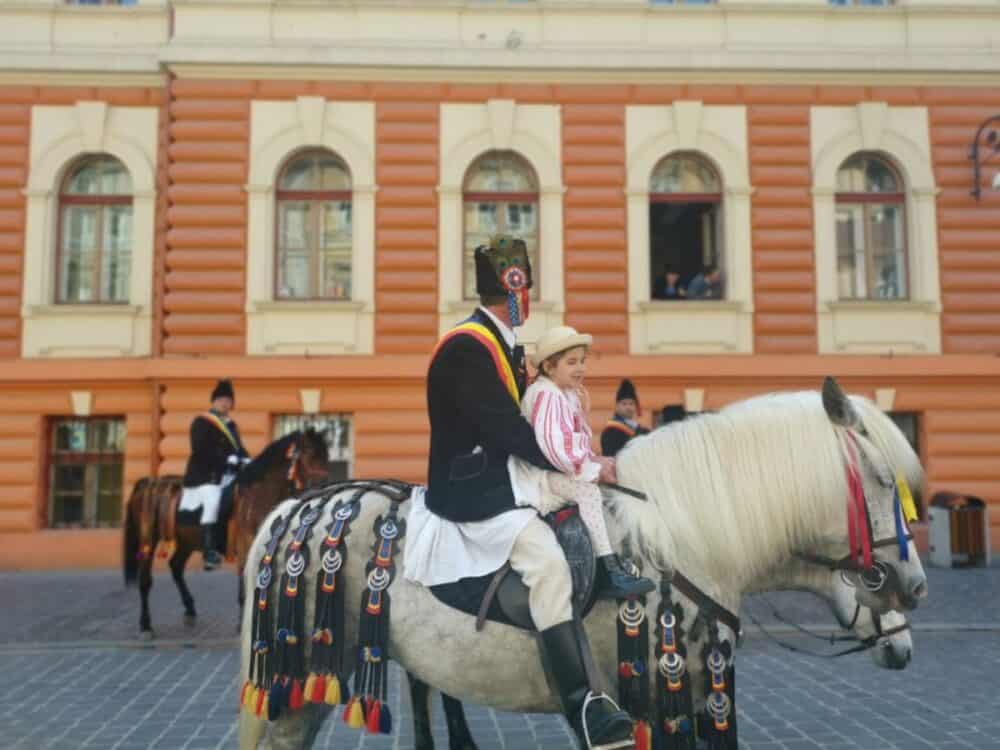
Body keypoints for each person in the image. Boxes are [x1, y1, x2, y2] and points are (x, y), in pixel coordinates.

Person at [405, 234, 634, 748]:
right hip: (475, 493)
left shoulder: (503, 342)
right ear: (514, 294)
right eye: (523, 291)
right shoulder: (468, 347)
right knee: (549, 566)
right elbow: (508, 431)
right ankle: (584, 708)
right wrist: (583, 465)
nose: (526, 299)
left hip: (511, 477)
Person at [512, 325, 655, 599]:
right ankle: (608, 569)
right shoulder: (547, 395)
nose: (580, 368)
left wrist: (595, 456)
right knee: (588, 492)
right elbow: (555, 449)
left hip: (560, 468)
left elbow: (576, 441)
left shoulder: (564, 393)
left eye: (582, 361)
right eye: (571, 362)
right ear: (550, 367)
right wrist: (589, 469)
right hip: (541, 476)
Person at [178, 379, 249, 570]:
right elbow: (200, 449)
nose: (225, 403)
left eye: (228, 400)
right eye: (221, 400)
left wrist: (246, 460)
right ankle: (209, 552)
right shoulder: (202, 421)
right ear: (214, 402)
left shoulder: (231, 425)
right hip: (205, 475)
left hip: (229, 475)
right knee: (213, 501)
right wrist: (226, 460)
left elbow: (239, 448)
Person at [600, 378, 650, 458]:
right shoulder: (611, 431)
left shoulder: (642, 430)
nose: (628, 407)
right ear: (617, 407)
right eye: (624, 404)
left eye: (631, 404)